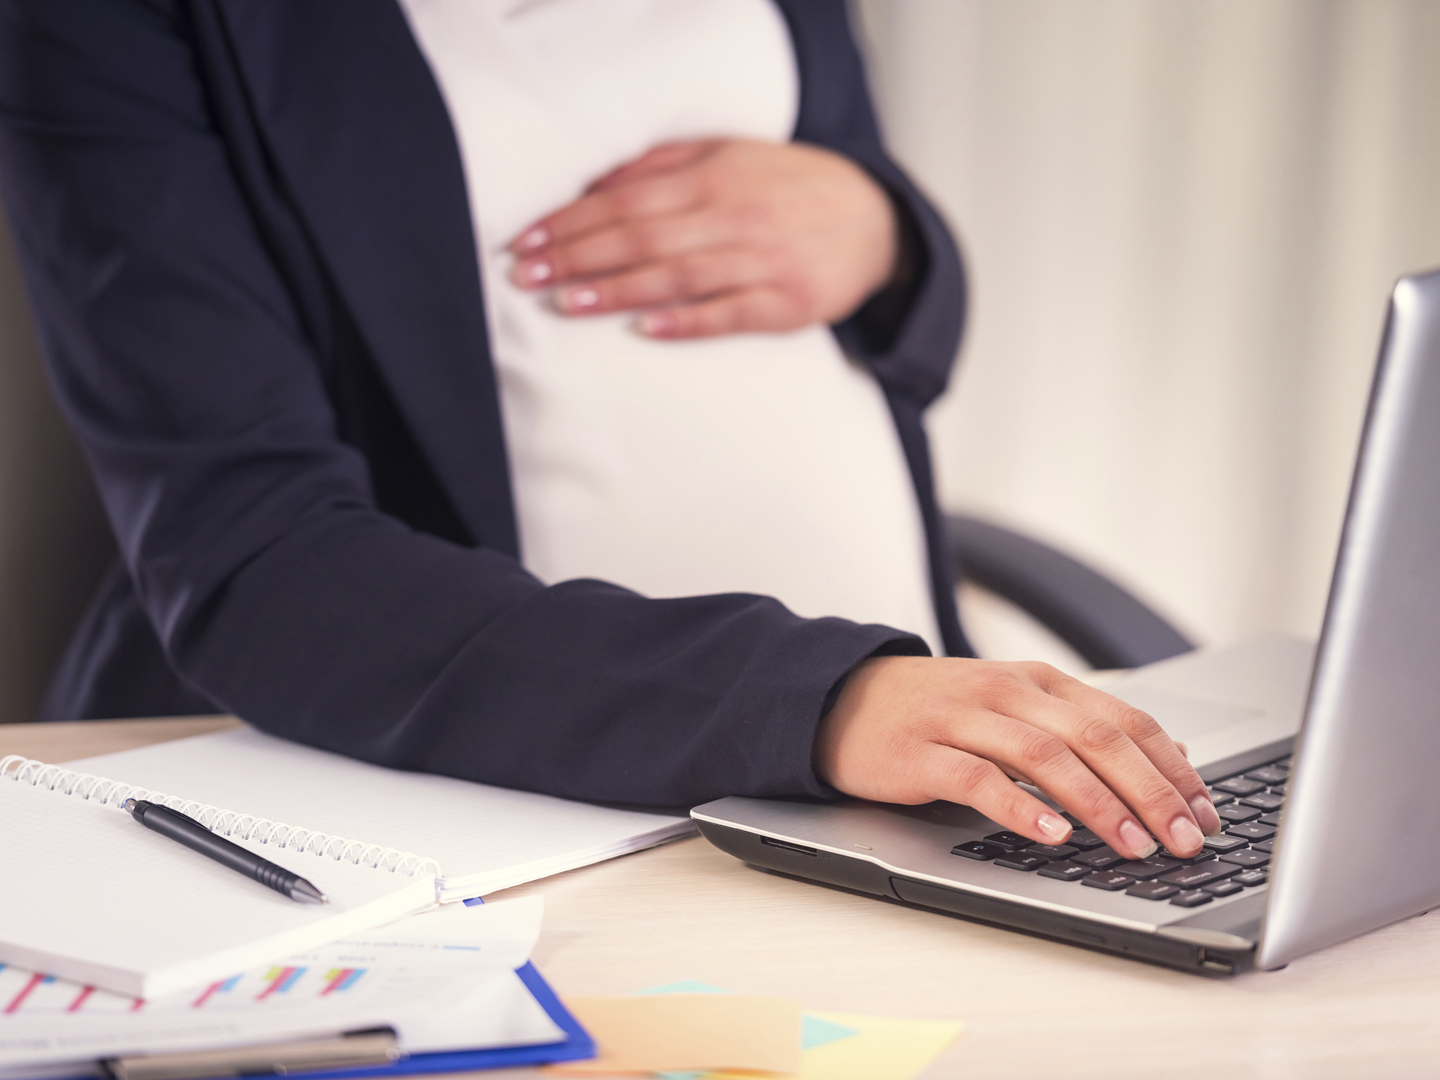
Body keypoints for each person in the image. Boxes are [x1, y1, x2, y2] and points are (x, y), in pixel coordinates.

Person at [0, 0, 1220, 862]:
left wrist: (890, 241)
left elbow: (866, 297)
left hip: (914, 778)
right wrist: (824, 702)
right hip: (503, 800)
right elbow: (260, 567)